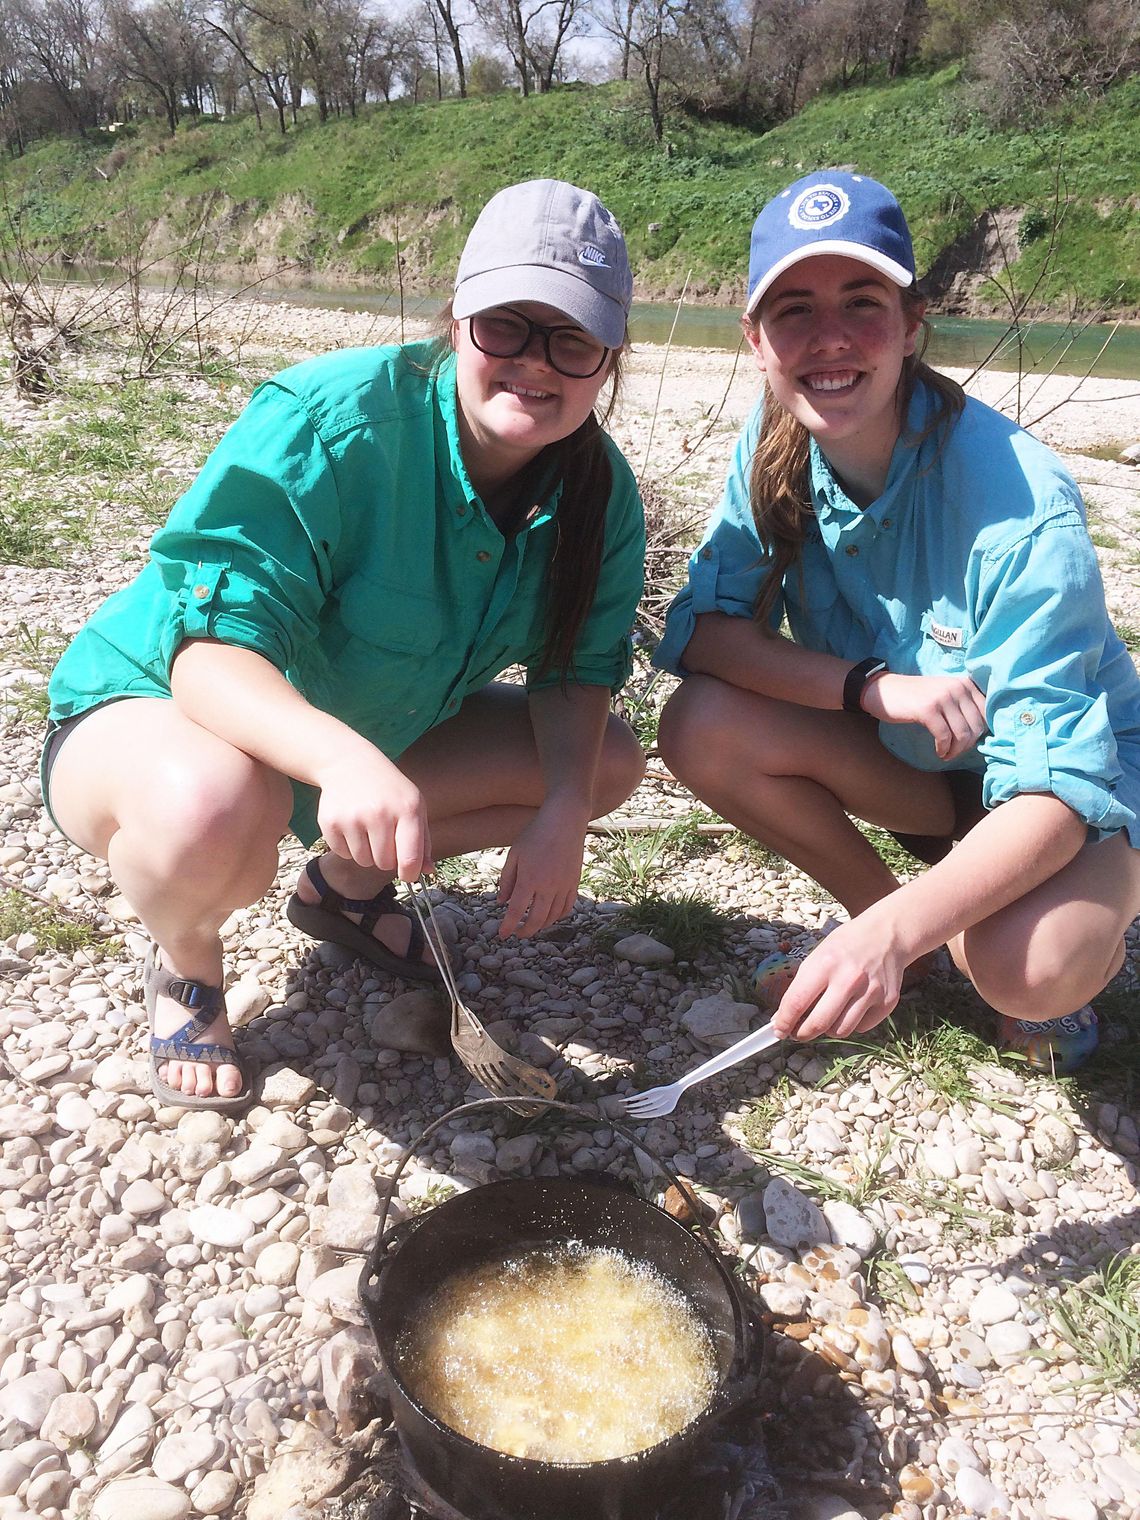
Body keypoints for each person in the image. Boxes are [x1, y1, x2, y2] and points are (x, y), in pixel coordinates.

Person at [42, 178, 647, 1111]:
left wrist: (565, 805)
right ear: (456, 322)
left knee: (603, 764)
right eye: (505, 328)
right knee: (214, 806)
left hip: (359, 739)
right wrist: (344, 761)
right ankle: (187, 961)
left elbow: (575, 674)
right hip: (155, 713)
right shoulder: (329, 419)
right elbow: (207, 655)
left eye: (572, 340)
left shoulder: (600, 492)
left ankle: (344, 892)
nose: (537, 365)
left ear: (608, 359)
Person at [654, 170, 1140, 1074]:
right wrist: (867, 689)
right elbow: (703, 636)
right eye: (794, 310)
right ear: (756, 341)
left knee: (1027, 968)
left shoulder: (1022, 506)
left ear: (914, 326)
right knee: (699, 721)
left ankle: (1064, 947)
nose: (830, 339)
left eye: (862, 302)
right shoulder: (773, 452)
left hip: (1069, 795)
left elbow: (1062, 792)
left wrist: (896, 930)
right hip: (922, 764)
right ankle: (900, 946)